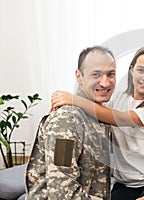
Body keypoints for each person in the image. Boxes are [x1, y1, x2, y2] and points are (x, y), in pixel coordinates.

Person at [51, 45, 144, 200]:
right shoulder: (119, 98)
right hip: (125, 183)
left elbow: (118, 118)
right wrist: (64, 102)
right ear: (131, 71)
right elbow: (97, 109)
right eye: (141, 70)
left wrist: (73, 99)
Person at [25, 46, 116, 200]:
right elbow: (62, 195)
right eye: (96, 74)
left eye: (110, 74)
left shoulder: (101, 117)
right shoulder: (67, 120)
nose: (105, 83)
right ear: (79, 77)